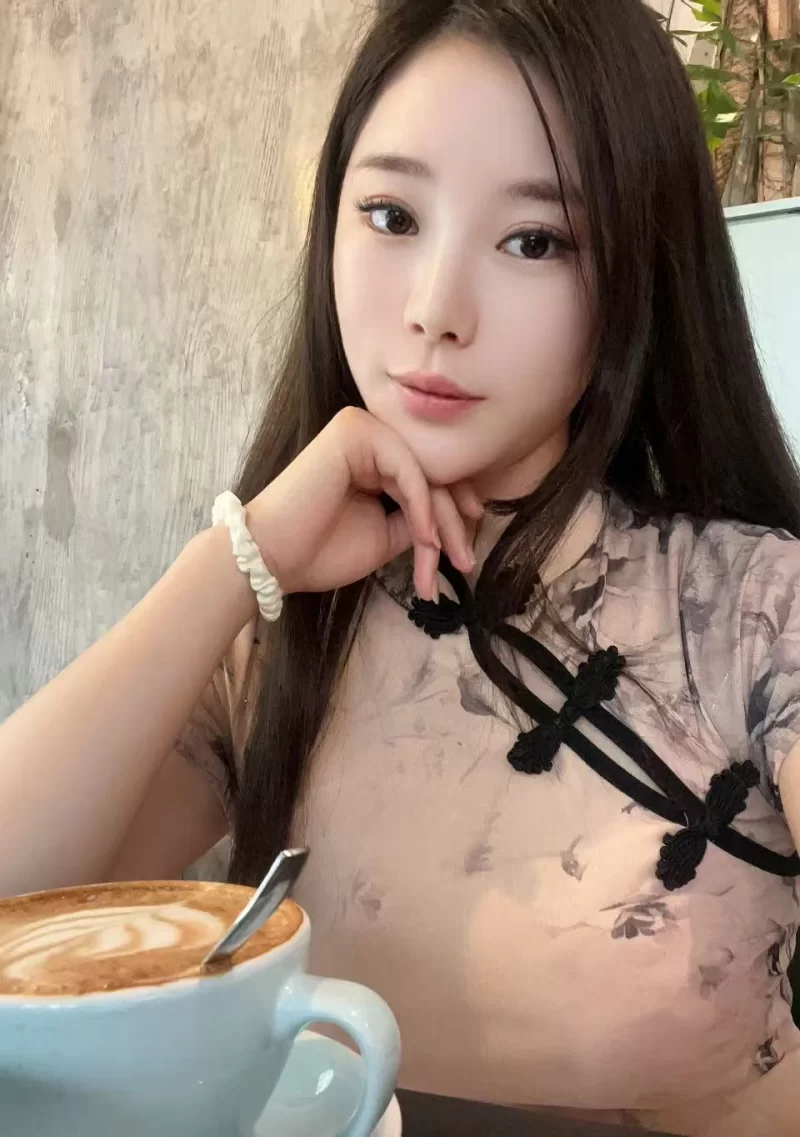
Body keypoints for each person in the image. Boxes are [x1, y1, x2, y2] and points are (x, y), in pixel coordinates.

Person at [2, 0, 800, 1131]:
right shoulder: (282, 634)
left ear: (637, 270)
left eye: (535, 240)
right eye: (390, 215)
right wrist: (235, 560)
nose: (434, 311)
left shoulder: (751, 611)